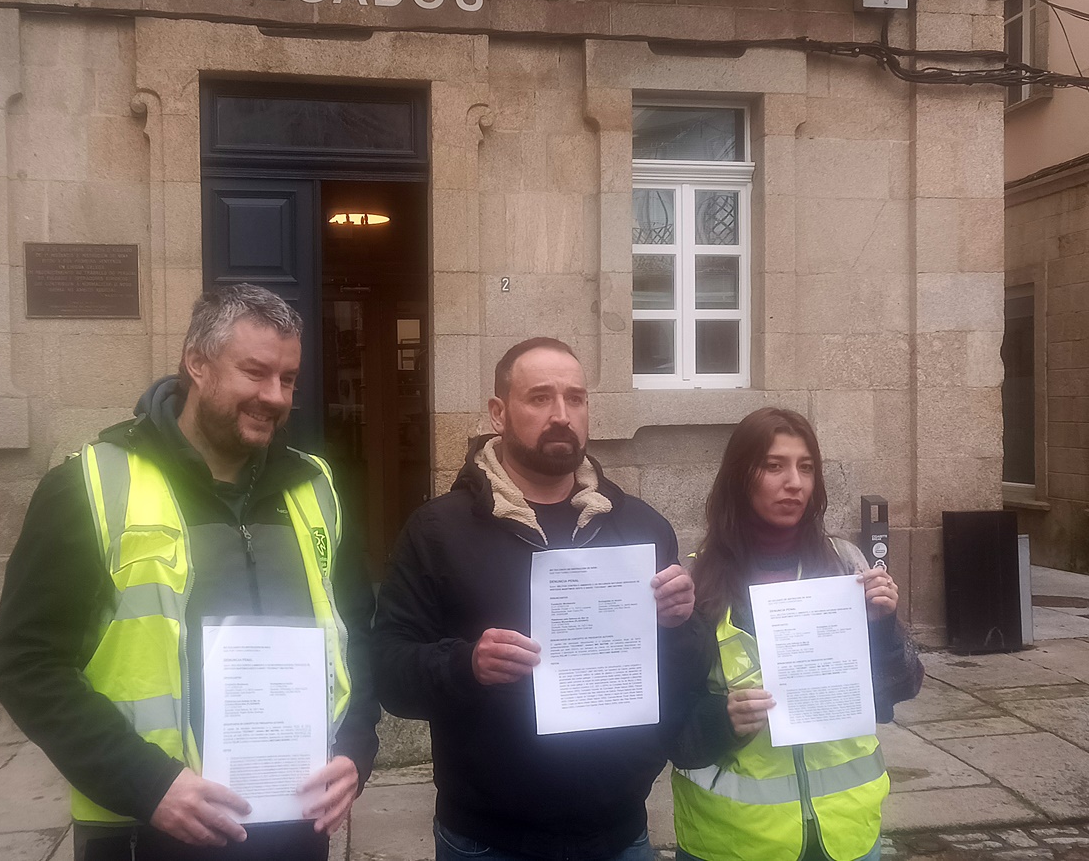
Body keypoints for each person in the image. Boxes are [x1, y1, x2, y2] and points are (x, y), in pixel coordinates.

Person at [0, 285, 379, 861]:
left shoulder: (315, 486)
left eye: (289, 379)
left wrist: (354, 748)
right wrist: (148, 783)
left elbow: (356, 632)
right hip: (147, 827)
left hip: (293, 821)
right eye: (255, 372)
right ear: (196, 363)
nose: (275, 396)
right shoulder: (89, 485)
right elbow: (26, 663)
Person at [372, 337, 733, 861]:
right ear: (499, 413)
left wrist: (678, 625)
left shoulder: (641, 528)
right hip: (487, 837)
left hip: (617, 830)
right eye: (540, 398)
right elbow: (388, 670)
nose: (562, 415)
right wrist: (466, 664)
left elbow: (685, 675)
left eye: (576, 399)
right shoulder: (438, 531)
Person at [671, 407, 920, 861]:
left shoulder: (845, 564)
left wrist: (883, 626)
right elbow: (671, 727)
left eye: (806, 467)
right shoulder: (698, 580)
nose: (795, 482)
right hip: (735, 842)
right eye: (774, 466)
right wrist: (719, 720)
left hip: (846, 835)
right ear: (739, 476)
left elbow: (897, 691)